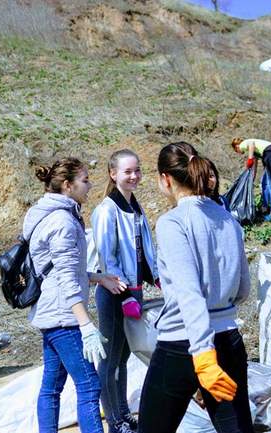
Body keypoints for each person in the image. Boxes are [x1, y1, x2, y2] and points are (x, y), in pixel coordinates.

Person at [138, 142, 253, 433]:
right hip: (228, 339)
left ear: (166, 179)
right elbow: (242, 289)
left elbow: (189, 293)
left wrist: (202, 354)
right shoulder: (228, 219)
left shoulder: (173, 222)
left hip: (184, 343)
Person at [23, 157, 125, 433]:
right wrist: (86, 324)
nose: (90, 185)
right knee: (90, 384)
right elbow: (66, 279)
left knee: (51, 386)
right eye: (85, 180)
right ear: (67, 185)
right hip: (63, 317)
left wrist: (98, 278)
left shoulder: (45, 213)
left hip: (50, 311)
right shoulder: (62, 222)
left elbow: (62, 269)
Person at [91, 149, 159, 433]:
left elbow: (144, 247)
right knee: (109, 359)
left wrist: (155, 276)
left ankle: (122, 413)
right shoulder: (107, 209)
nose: (134, 176)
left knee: (124, 356)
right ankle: (114, 421)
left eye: (137, 170)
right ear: (113, 174)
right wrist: (125, 295)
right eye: (127, 171)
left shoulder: (134, 206)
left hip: (134, 290)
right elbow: (109, 259)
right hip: (115, 293)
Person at [231, 137, 271, 221]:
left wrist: (250, 159)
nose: (239, 152)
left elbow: (251, 144)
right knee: (264, 183)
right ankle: (264, 207)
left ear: (236, 146)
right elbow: (254, 165)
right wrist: (252, 177)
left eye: (237, 151)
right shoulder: (253, 150)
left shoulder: (244, 144)